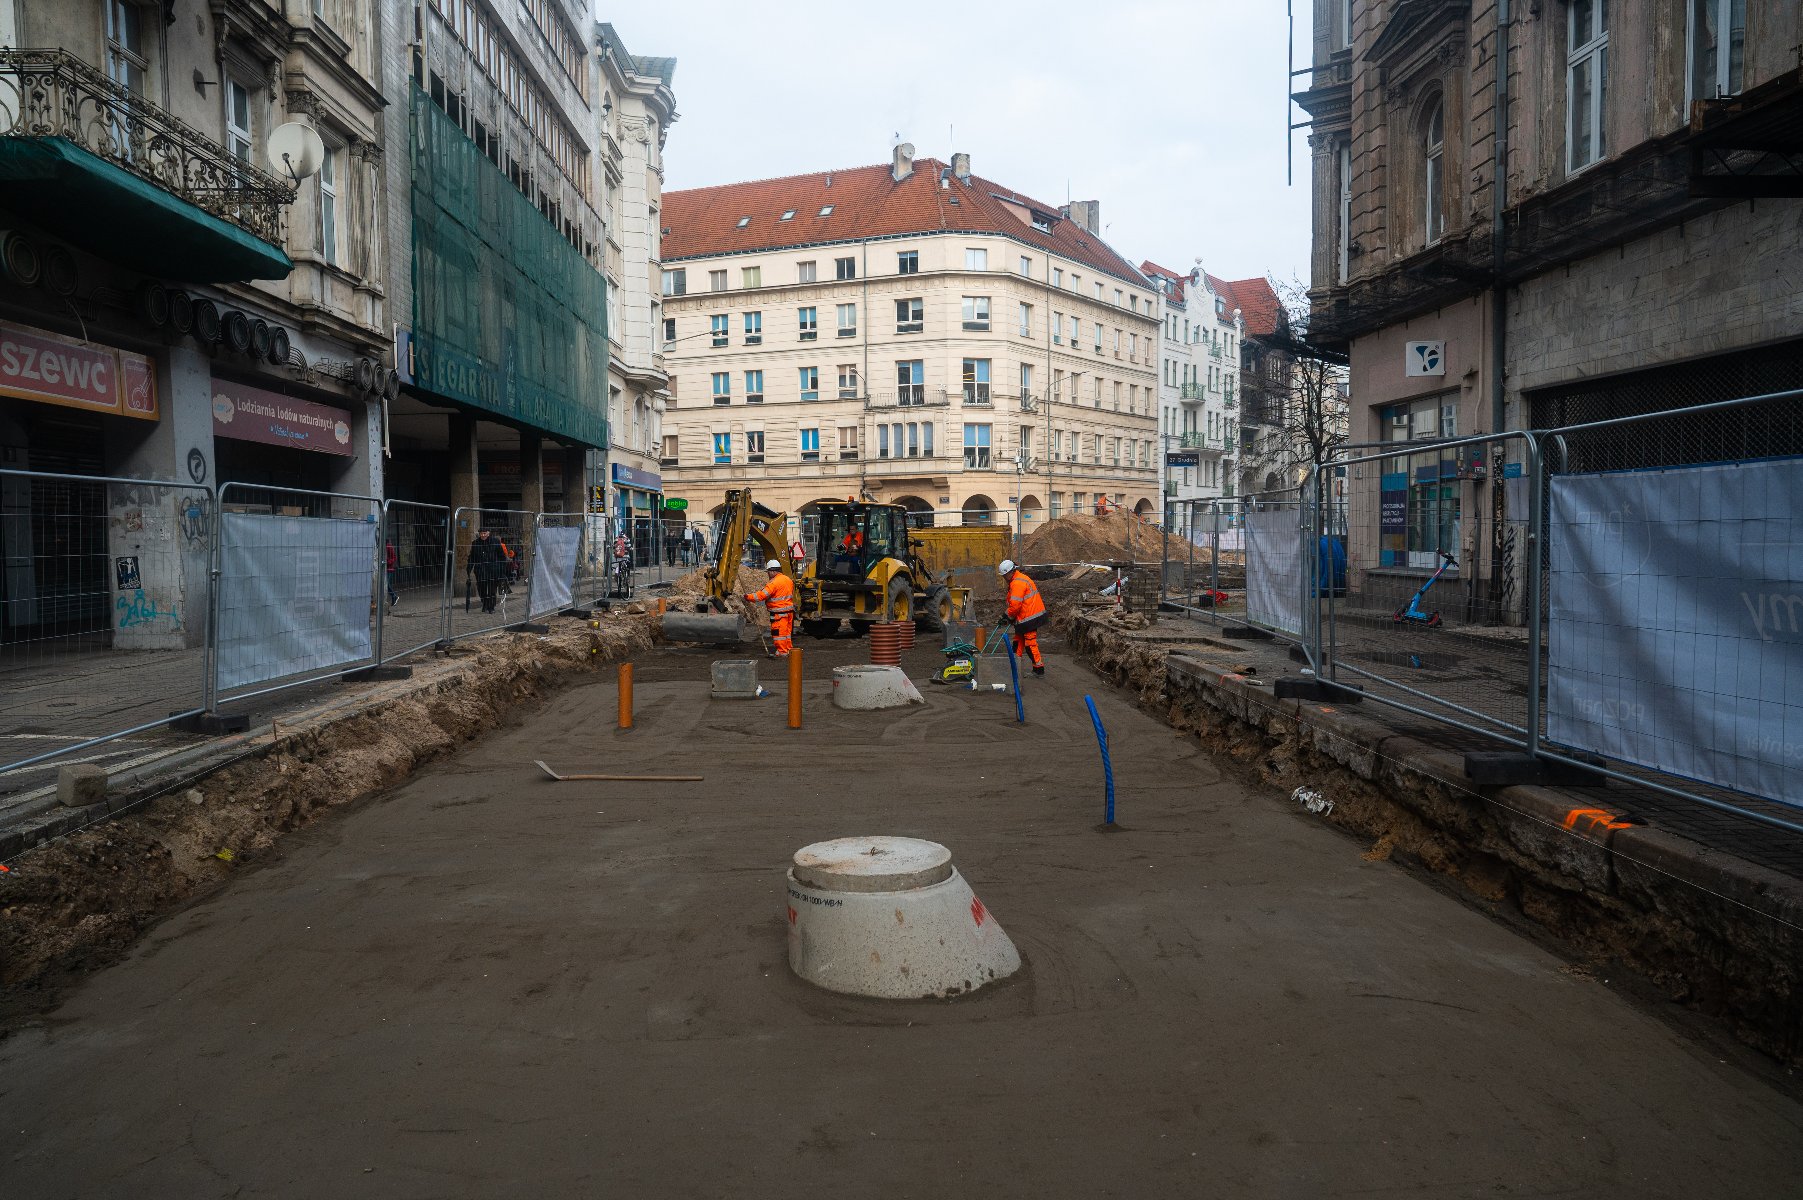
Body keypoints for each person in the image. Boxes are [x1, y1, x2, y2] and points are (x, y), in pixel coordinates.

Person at [998, 558, 1047, 676]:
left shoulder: (1017, 582)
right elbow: (1014, 603)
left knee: (1030, 644)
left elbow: (1015, 605)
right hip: (1025, 617)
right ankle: (1015, 666)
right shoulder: (1017, 579)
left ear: (1010, 572)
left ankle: (1038, 669)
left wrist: (1008, 617)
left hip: (1030, 618)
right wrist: (1006, 615)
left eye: (1005, 575)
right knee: (1018, 641)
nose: (1004, 578)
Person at [745, 558, 796, 657]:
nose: (768, 574)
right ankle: (788, 650)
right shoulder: (788, 580)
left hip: (779, 613)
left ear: (772, 571)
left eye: (768, 572)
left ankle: (782, 652)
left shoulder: (773, 583)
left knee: (779, 634)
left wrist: (748, 597)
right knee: (786, 633)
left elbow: (761, 596)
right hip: (789, 611)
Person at [467, 528, 506, 613]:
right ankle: (485, 603)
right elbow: (472, 557)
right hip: (480, 571)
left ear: (488, 533)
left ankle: (491, 607)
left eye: (484, 533)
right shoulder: (475, 543)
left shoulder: (495, 541)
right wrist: (468, 570)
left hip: (493, 571)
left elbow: (502, 556)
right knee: (482, 589)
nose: (483, 535)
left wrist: (501, 569)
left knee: (492, 590)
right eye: (481, 533)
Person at [384, 540, 398, 609]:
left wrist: (388, 562)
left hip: (389, 569)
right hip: (384, 569)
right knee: (386, 584)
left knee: (386, 584)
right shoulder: (384, 546)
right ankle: (394, 596)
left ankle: (394, 596)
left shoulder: (388, 546)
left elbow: (394, 557)